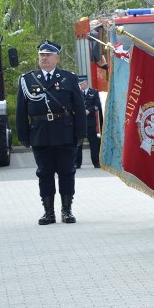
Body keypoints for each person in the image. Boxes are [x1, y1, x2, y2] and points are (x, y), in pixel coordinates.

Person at [16, 40, 86, 224]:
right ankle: (48, 212)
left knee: (66, 171)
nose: (44, 58)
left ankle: (67, 210)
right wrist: (23, 134)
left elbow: (79, 107)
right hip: (40, 133)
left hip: (64, 132)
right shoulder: (27, 79)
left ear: (57, 58)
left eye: (48, 55)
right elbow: (21, 110)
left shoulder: (69, 78)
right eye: (41, 55)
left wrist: (80, 132)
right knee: (44, 173)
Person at [74, 76, 103, 169]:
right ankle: (77, 163)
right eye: (78, 84)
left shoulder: (94, 93)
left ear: (86, 82)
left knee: (94, 144)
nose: (79, 86)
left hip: (90, 122)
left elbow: (97, 105)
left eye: (81, 84)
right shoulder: (76, 93)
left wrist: (89, 110)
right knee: (78, 144)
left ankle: (96, 162)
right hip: (79, 122)